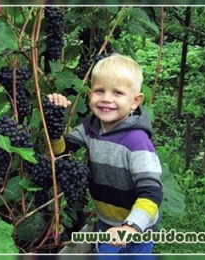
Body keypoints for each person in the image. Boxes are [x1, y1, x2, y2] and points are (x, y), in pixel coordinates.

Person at [47, 54, 163, 254]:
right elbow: (62, 150)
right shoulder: (90, 128)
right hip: (106, 224)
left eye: (117, 93)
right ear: (90, 94)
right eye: (100, 91)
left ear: (135, 101)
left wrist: (131, 227)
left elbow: (152, 191)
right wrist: (53, 115)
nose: (106, 98)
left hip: (139, 228)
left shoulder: (137, 142)